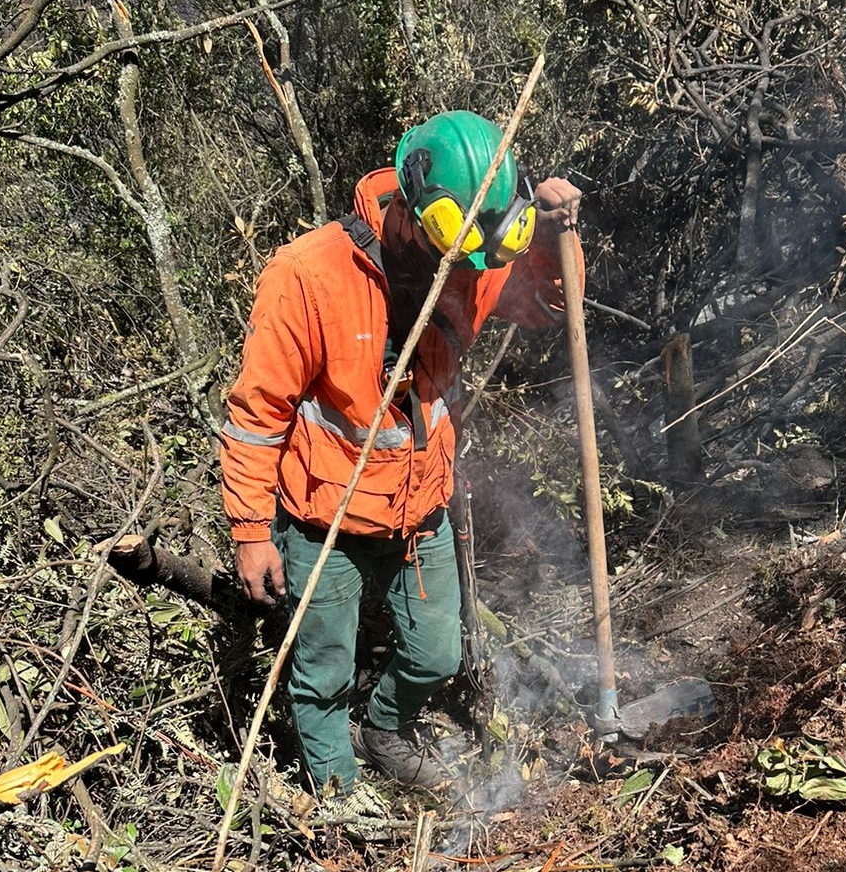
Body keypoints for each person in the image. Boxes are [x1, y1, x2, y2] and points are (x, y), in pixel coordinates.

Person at [219, 110, 583, 815]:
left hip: (421, 512)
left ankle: (384, 731)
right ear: (414, 207)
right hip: (324, 518)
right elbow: (257, 416)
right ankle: (335, 797)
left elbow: (547, 303)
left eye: (481, 256)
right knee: (322, 672)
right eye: (456, 249)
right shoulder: (309, 273)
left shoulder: (472, 254)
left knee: (435, 655)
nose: (467, 271)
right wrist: (250, 532)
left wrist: (553, 235)